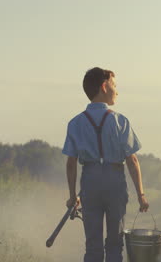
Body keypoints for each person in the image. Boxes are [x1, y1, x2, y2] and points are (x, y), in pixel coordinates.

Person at [63, 67, 149, 262]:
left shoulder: (75, 123)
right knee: (114, 243)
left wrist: (72, 196)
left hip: (90, 181)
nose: (117, 91)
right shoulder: (120, 121)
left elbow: (71, 163)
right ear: (104, 86)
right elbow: (132, 160)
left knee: (92, 244)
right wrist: (141, 195)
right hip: (114, 181)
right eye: (114, 85)